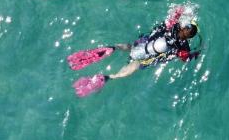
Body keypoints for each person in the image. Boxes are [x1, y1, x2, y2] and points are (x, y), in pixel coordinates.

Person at [70, 5, 200, 97]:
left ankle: (112, 48)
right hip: (147, 57)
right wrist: (196, 53)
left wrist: (182, 11)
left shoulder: (174, 26)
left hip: (144, 44)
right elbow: (185, 58)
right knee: (135, 66)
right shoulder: (183, 47)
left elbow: (175, 13)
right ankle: (108, 77)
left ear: (184, 28)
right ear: (190, 37)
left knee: (131, 47)